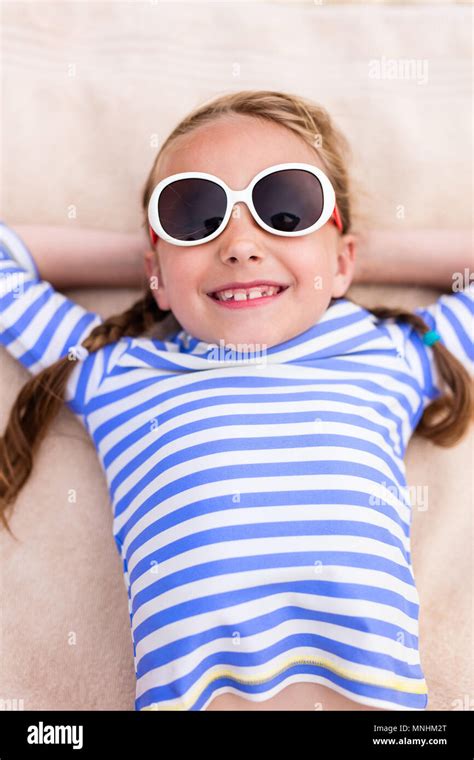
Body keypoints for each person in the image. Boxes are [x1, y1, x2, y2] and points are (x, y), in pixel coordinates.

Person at [1, 90, 472, 712]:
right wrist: (168, 263)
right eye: (195, 214)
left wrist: (346, 253)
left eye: (288, 208)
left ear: (345, 257)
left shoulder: (389, 355)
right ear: (155, 273)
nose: (240, 245)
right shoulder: (119, 371)